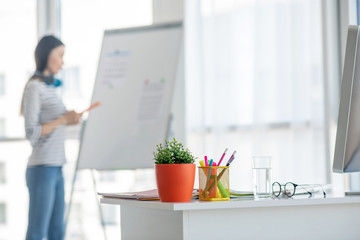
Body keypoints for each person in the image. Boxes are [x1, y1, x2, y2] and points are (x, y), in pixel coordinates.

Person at [21, 35, 82, 240]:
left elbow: (56, 123)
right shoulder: (34, 88)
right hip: (41, 168)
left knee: (57, 233)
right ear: (47, 55)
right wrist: (63, 119)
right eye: (60, 56)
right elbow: (31, 133)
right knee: (37, 233)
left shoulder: (50, 89)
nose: (63, 62)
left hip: (56, 167)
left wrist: (68, 120)